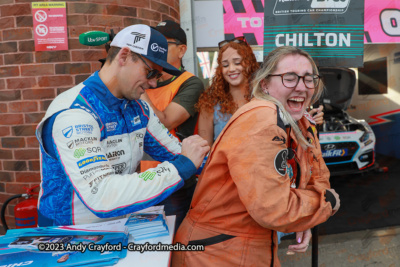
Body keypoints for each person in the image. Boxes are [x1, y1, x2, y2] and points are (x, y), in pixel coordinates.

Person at [172, 46, 340, 267]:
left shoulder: (298, 120)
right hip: (216, 254)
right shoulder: (263, 119)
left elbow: (315, 175)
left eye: (309, 79)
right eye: (289, 78)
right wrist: (327, 202)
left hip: (249, 246)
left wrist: (306, 219)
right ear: (265, 84)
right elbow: (276, 208)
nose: (301, 86)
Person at [35, 24, 210, 227]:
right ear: (124, 56)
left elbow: (176, 152)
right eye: (150, 72)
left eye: (157, 76)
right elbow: (101, 196)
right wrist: (180, 167)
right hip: (68, 237)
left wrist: (220, 158)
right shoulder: (74, 112)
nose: (153, 84)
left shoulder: (139, 108)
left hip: (117, 227)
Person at [196, 37, 324, 147]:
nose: (231, 69)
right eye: (225, 65)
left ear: (249, 63)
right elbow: (206, 153)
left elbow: (290, 138)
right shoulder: (209, 105)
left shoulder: (268, 99)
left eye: (237, 62)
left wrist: (307, 121)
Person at [139, 20, 205, 232]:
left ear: (182, 50)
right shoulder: (140, 79)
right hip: (137, 181)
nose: (154, 49)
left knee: (172, 248)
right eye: (151, 43)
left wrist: (139, 88)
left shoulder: (190, 83)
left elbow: (166, 121)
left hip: (174, 181)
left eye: (163, 44)